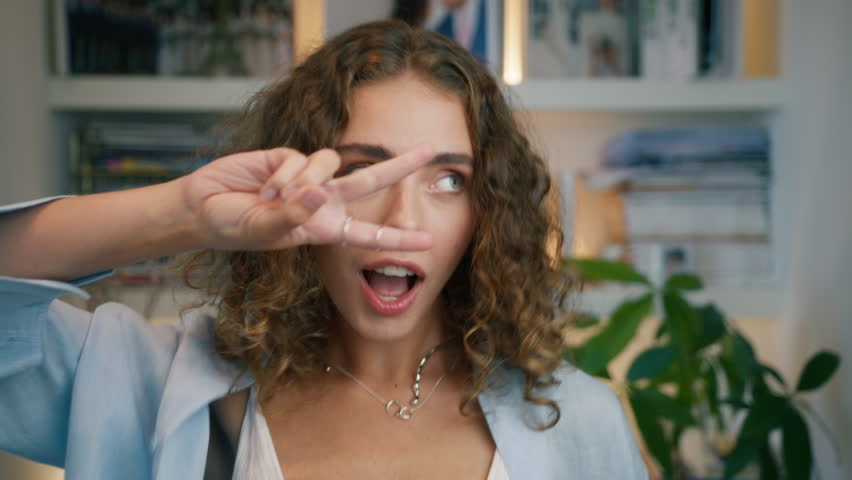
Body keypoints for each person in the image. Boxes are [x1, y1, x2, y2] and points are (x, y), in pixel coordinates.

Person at [0, 20, 647, 479]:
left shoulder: (576, 423)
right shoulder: (156, 384)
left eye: (450, 180)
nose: (403, 220)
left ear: (486, 213)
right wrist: (184, 214)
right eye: (367, 170)